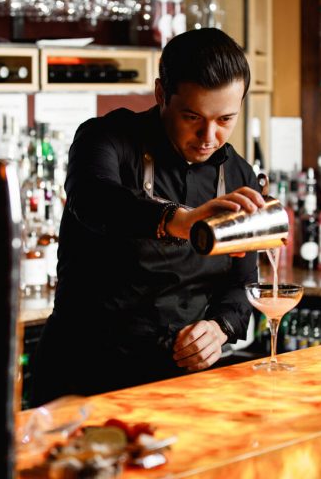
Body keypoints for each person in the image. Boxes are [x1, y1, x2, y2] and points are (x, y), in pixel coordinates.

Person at [31, 28, 265, 405]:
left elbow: (242, 285)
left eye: (225, 119)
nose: (209, 136)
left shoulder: (238, 175)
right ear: (161, 94)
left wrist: (219, 329)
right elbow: (93, 199)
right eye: (193, 116)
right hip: (86, 375)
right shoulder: (106, 138)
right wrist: (182, 220)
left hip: (177, 384)